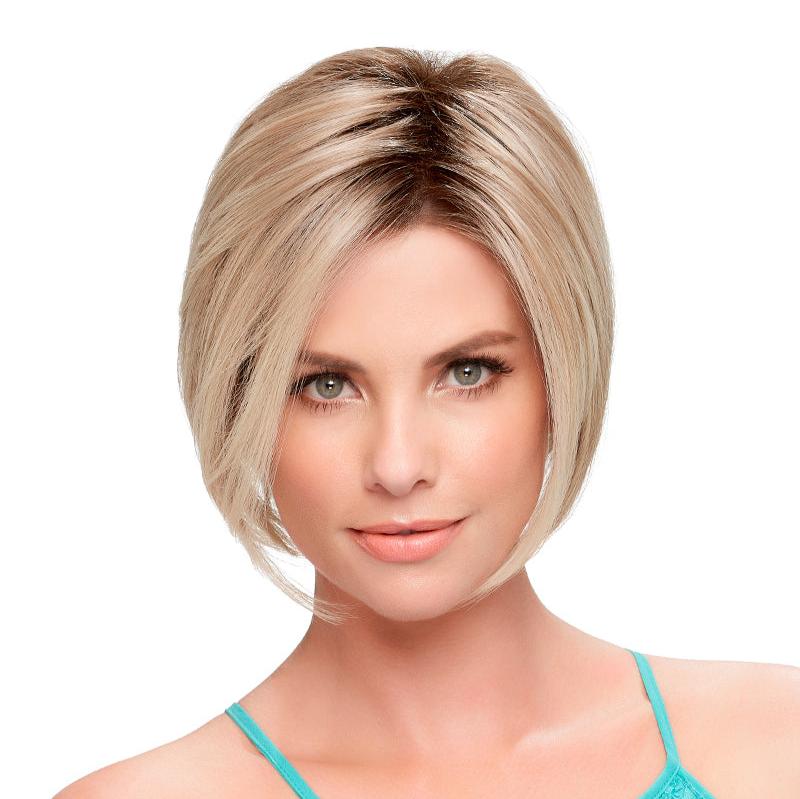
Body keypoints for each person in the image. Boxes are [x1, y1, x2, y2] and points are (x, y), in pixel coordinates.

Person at [54, 46, 799, 799]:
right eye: (326, 385)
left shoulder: (776, 745)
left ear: (562, 372)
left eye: (467, 373)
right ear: (241, 398)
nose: (398, 464)